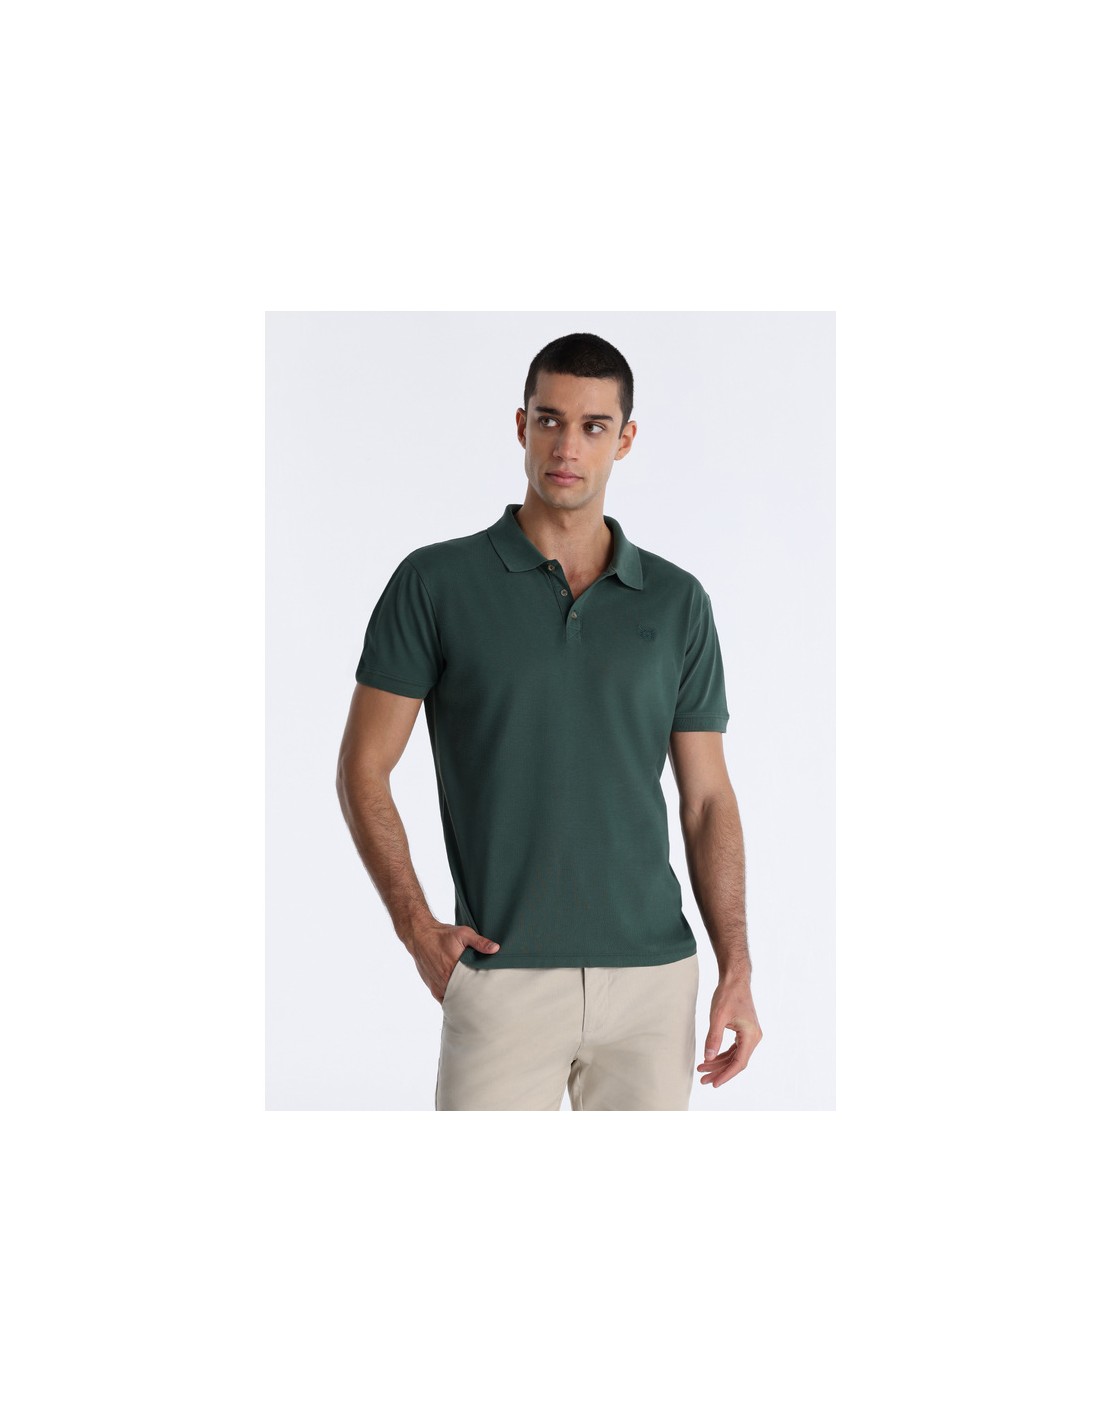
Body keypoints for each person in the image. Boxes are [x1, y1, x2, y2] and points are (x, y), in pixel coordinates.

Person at [335, 332, 762, 1110]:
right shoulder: (435, 583)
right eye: (549, 420)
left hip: (654, 983)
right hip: (503, 977)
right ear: (522, 426)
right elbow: (364, 767)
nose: (567, 446)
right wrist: (417, 929)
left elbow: (706, 800)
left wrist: (736, 966)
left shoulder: (677, 602)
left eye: (594, 426)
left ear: (625, 439)